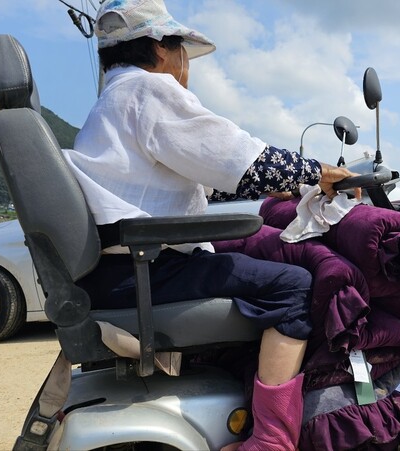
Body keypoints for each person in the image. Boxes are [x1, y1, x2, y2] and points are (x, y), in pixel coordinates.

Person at [60, 1, 357, 450]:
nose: (185, 67)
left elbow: (172, 180)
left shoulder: (114, 101)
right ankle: (273, 440)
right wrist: (317, 172)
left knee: (248, 264)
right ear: (162, 49)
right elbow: (234, 151)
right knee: (293, 284)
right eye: (182, 51)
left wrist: (267, 186)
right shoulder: (149, 90)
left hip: (115, 272)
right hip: (141, 272)